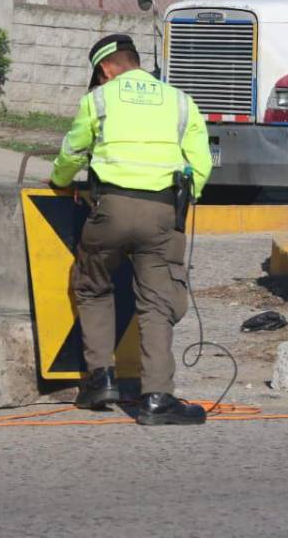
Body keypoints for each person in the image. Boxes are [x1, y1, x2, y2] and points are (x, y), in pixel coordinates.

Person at [51, 33, 212, 426]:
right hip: (162, 212)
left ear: (106, 68)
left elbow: (71, 154)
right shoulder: (180, 100)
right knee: (156, 302)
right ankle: (157, 398)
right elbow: (202, 164)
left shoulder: (99, 99)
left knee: (92, 287)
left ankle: (101, 380)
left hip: (110, 210)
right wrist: (181, 206)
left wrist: (59, 179)